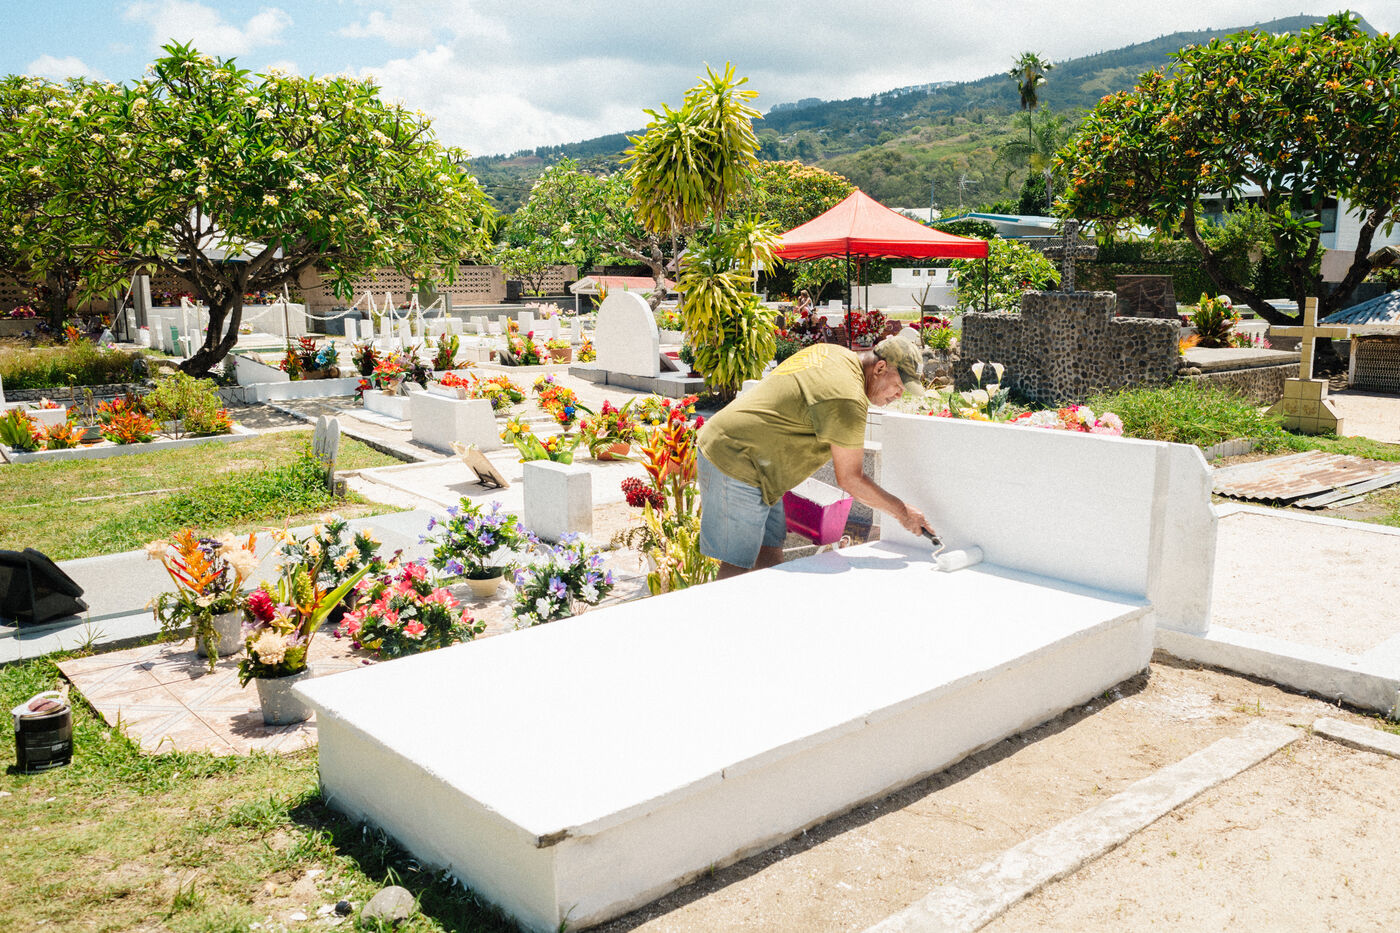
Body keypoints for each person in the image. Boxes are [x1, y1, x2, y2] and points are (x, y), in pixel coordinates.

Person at [696, 336, 934, 579]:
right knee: (737, 569)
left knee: (769, 555)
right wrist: (902, 513)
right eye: (898, 386)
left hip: (758, 463)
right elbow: (851, 479)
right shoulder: (847, 398)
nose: (899, 395)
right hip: (735, 457)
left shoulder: (837, 354)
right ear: (880, 368)